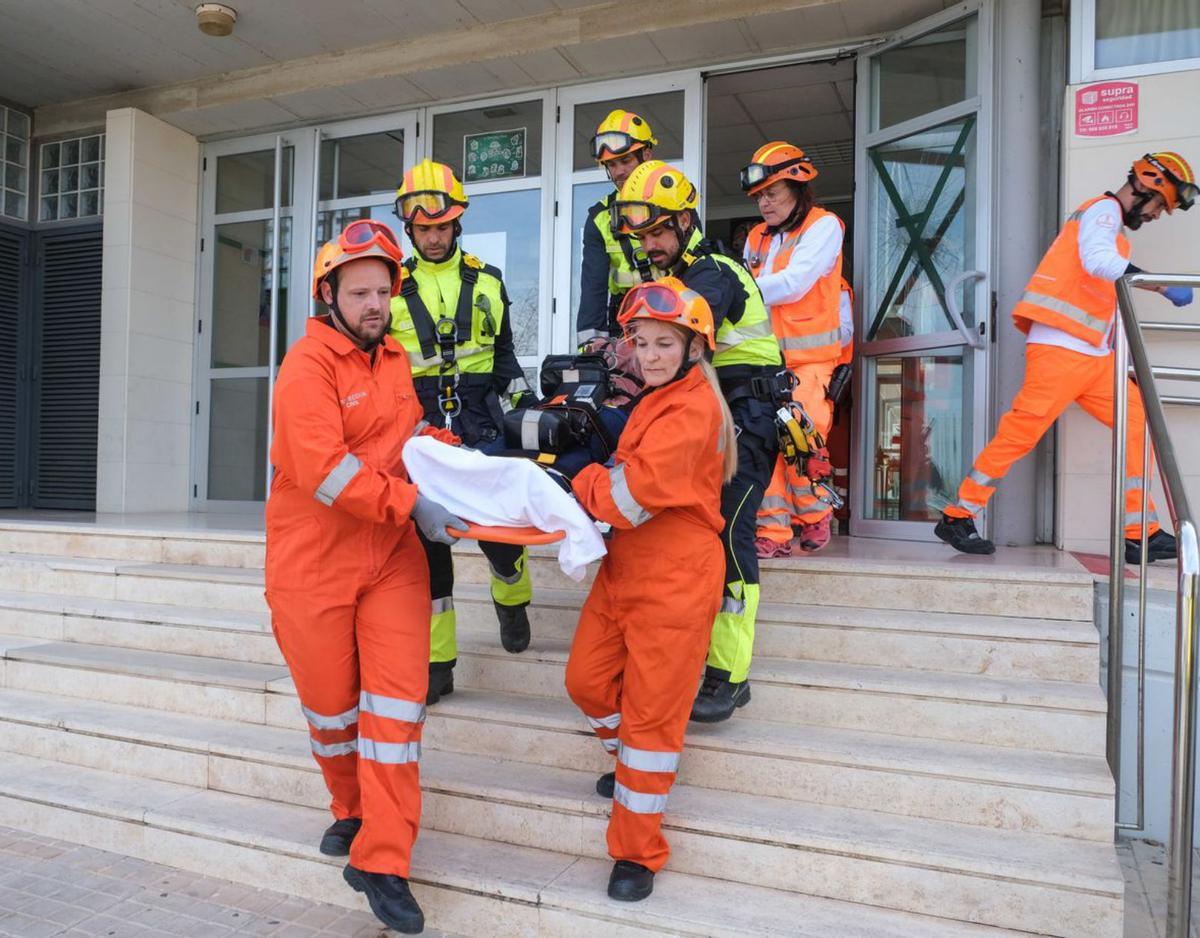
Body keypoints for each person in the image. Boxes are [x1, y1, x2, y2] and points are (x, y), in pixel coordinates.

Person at [267, 219, 466, 934]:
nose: (375, 303)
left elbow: (404, 438)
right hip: (313, 561)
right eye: (360, 292)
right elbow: (323, 468)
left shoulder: (395, 360)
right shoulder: (307, 367)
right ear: (329, 295)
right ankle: (349, 809)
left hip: (390, 560)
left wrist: (456, 462)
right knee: (331, 712)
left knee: (394, 716)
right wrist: (412, 502)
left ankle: (385, 860)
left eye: (384, 290)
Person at [564, 278, 737, 902]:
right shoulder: (655, 401)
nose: (652, 355)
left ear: (695, 349)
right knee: (585, 681)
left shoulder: (691, 409)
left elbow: (623, 500)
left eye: (666, 343)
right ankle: (626, 762)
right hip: (624, 571)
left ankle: (637, 853)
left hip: (675, 580)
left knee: (651, 723)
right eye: (642, 343)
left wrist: (573, 477)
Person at [937, 151, 1197, 560]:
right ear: (1147, 185)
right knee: (1019, 434)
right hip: (1060, 350)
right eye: (1160, 205)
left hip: (1092, 357)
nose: (1158, 215)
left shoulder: (1112, 226)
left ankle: (1139, 534)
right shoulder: (1104, 212)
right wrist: (1160, 287)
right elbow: (1098, 262)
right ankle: (958, 514)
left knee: (1137, 422)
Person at [611, 160, 783, 724]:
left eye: (659, 231)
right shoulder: (666, 283)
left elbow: (683, 336)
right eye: (641, 235)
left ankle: (729, 678)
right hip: (710, 413)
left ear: (685, 222)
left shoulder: (712, 273)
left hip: (745, 413)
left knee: (733, 533)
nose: (650, 244)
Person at [390, 159, 535, 705]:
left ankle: (512, 596)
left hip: (480, 417)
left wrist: (526, 408)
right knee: (430, 548)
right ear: (411, 228)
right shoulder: (393, 284)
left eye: (442, 226)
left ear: (457, 225)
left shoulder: (489, 280)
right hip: (419, 424)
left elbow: (503, 356)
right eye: (423, 227)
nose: (433, 235)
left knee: (499, 532)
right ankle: (438, 662)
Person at [740, 142, 845, 557]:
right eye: (759, 196)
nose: (764, 202)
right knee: (761, 445)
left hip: (810, 361)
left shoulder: (824, 226)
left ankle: (816, 514)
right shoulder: (755, 238)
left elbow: (794, 283)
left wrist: (736, 288)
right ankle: (772, 531)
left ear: (798, 186)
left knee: (801, 441)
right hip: (763, 361)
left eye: (771, 192)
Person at [577, 109, 658, 349]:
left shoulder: (675, 200)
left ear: (647, 154)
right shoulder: (599, 218)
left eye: (625, 160)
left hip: (672, 313)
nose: (619, 171)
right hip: (624, 321)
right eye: (611, 164)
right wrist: (591, 346)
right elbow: (593, 288)